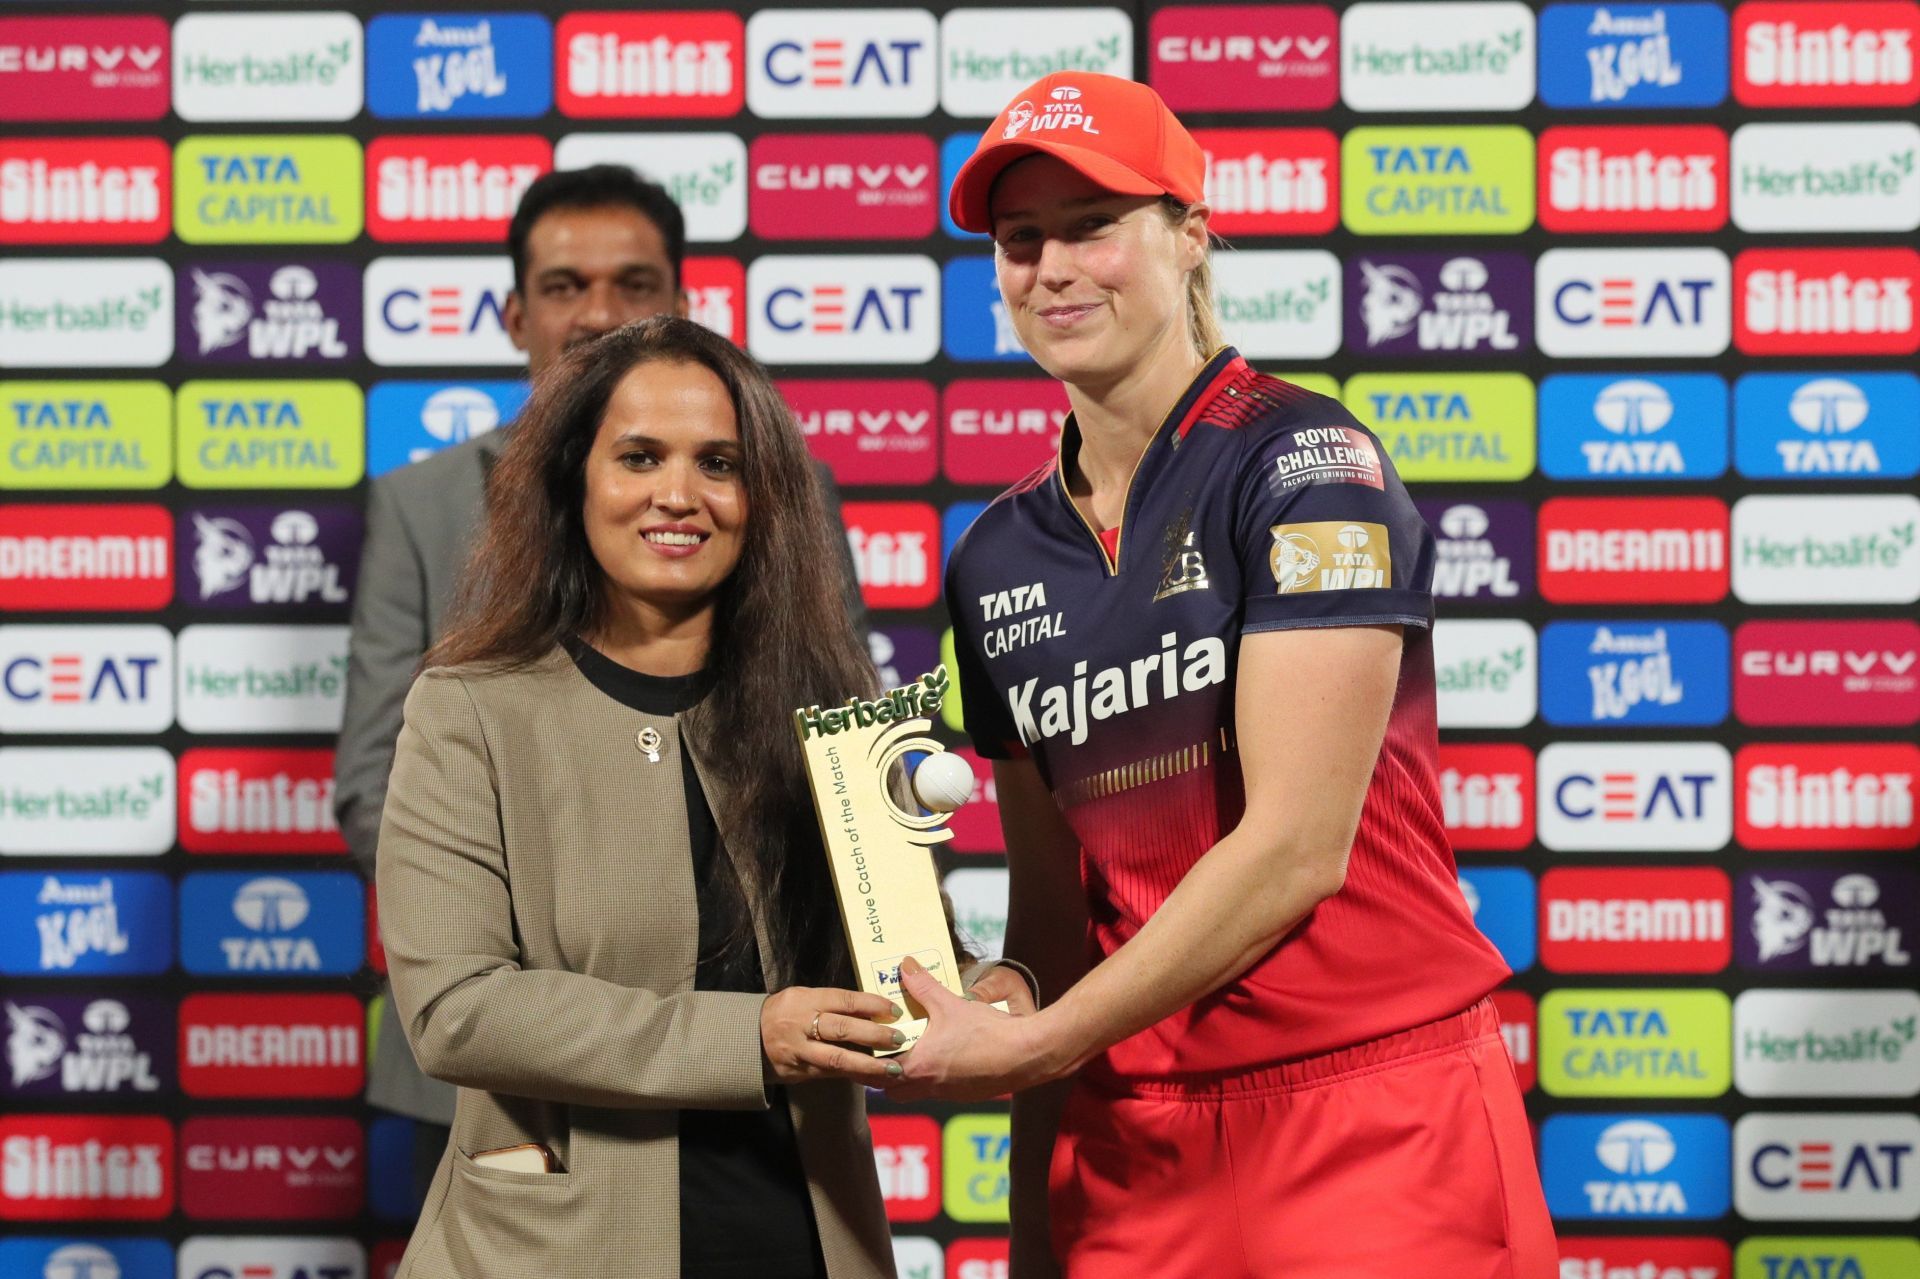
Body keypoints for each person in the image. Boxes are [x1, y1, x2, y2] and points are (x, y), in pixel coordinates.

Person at [901, 74, 1557, 1278]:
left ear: (1191, 235)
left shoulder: (1309, 461)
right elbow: (1055, 913)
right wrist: (1015, 1046)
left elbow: (1296, 848)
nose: (1052, 267)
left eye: (1092, 224)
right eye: (1020, 239)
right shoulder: (996, 554)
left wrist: (1039, 1044)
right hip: (1132, 1139)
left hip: (1373, 1108)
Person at [376, 316, 1031, 1279]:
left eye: (718, 463)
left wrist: (982, 992)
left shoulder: (834, 711)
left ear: (762, 497)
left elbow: (894, 958)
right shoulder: (470, 709)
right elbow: (456, 1007)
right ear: (576, 481)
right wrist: (750, 1037)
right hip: (556, 1251)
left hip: (804, 1241)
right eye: (639, 457)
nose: (678, 495)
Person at [335, 164, 865, 1199]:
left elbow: (841, 757)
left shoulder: (788, 498)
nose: (600, 314)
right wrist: (516, 928)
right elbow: (373, 781)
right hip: (505, 1087)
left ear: (680, 305)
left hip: (771, 1104)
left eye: (633, 284)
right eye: (566, 286)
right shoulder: (420, 507)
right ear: (515, 311)